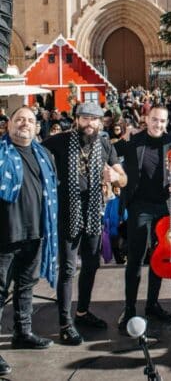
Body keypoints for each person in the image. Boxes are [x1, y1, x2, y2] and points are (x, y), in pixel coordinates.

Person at [43, 103, 127, 345]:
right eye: (85, 118)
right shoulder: (58, 141)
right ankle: (64, 324)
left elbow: (123, 178)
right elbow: (33, 154)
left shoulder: (104, 143)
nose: (89, 123)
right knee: (68, 269)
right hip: (66, 213)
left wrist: (116, 177)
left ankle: (82, 313)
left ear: (102, 123)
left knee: (91, 265)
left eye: (94, 119)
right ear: (76, 120)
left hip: (92, 213)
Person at [0, 107, 58, 376]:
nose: (24, 123)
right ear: (8, 124)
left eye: (30, 120)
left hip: (35, 233)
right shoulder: (0, 152)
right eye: (19, 119)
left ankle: (23, 332)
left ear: (37, 127)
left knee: (26, 287)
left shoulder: (44, 155)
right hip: (4, 236)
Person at [118, 106, 171, 330]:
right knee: (136, 257)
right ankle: (129, 308)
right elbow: (109, 150)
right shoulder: (134, 141)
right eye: (155, 120)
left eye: (163, 121)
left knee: (160, 257)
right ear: (146, 119)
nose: (159, 124)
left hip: (164, 208)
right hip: (140, 206)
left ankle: (152, 304)